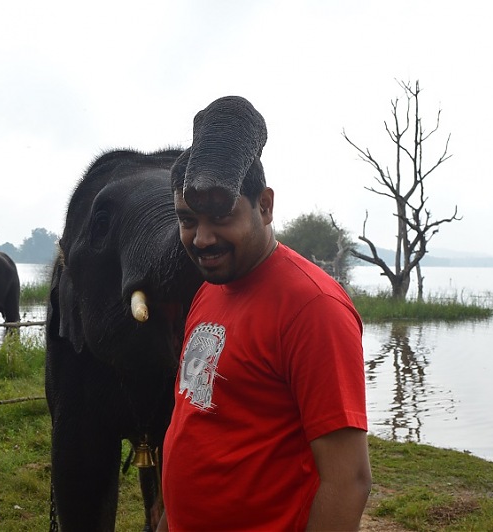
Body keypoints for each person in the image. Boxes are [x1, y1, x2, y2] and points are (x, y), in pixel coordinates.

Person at [159, 96, 371, 531]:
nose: (202, 239)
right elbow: (194, 418)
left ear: (266, 206)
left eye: (220, 216)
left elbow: (348, 480)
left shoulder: (313, 309)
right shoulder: (210, 289)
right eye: (187, 220)